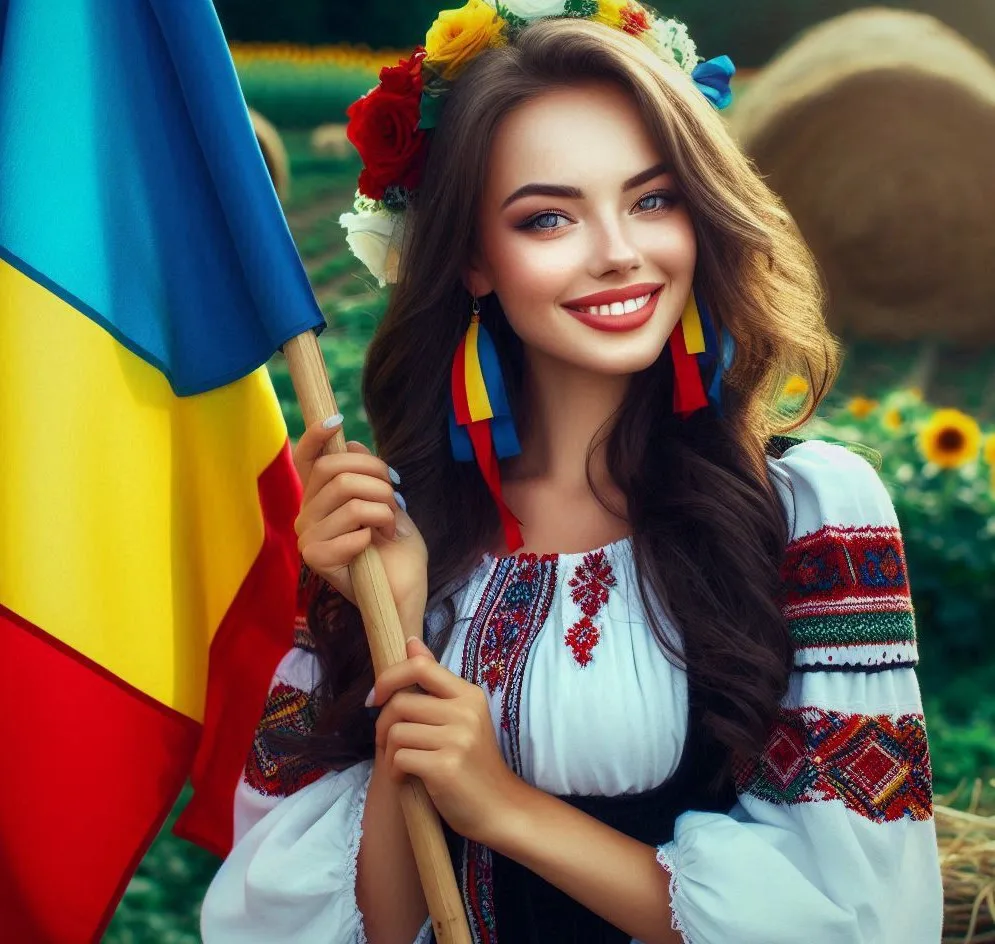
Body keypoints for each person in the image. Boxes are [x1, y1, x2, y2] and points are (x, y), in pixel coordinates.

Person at [200, 2, 943, 942]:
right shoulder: (394, 528)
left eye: (653, 198)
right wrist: (395, 631)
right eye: (547, 217)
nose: (618, 252)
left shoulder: (807, 512)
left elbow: (857, 917)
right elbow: (358, 926)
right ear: (473, 258)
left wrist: (504, 806)